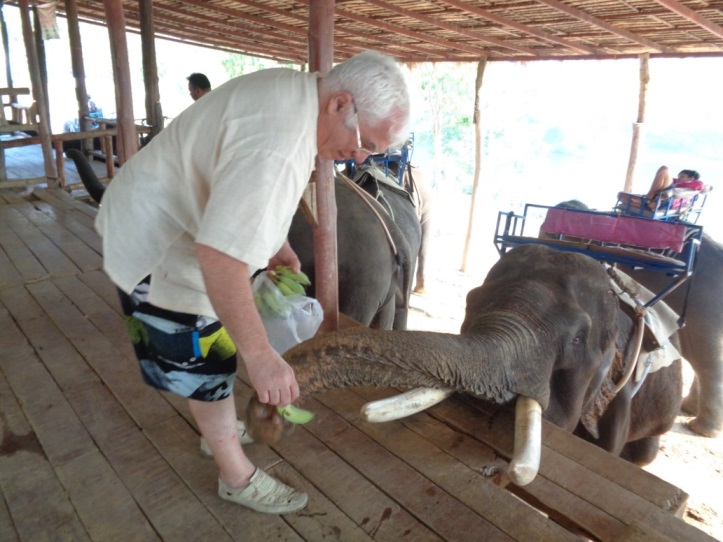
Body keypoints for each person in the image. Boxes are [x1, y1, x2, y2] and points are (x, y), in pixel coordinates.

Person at [95, 51, 410, 515]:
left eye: (376, 153)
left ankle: (216, 434)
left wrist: (273, 239)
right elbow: (220, 258)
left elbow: (237, 179)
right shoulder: (279, 145)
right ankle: (235, 477)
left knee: (212, 360)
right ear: (341, 104)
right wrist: (262, 357)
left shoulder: (300, 92)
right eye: (364, 141)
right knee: (205, 361)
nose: (361, 157)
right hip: (158, 248)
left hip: (171, 219)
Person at [619, 166, 703, 211]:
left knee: (664, 169)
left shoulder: (693, 187)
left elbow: (700, 185)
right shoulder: (676, 182)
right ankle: (648, 203)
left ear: (691, 179)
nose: (679, 178)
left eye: (682, 176)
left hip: (668, 201)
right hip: (657, 199)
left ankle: (648, 199)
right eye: (679, 176)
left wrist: (677, 183)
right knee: (621, 196)